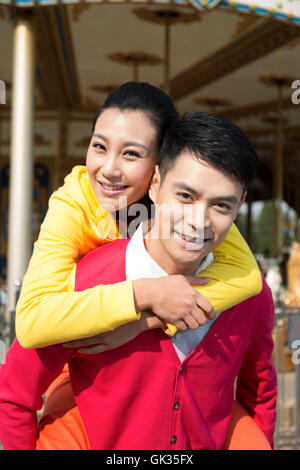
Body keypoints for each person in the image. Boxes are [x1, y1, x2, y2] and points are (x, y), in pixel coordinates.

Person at [0, 112, 276, 450]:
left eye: (221, 205)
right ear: (156, 185)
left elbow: (260, 390)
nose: (198, 221)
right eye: (185, 196)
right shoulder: (86, 281)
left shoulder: (251, 294)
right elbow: (14, 396)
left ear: (240, 207)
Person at [15, 82, 262, 351]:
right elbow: (32, 317)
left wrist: (143, 322)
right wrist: (148, 293)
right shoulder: (74, 199)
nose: (108, 169)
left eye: (131, 154)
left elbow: (247, 276)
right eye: (99, 146)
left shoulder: (187, 208)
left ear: (162, 164)